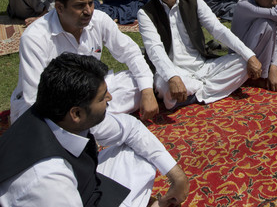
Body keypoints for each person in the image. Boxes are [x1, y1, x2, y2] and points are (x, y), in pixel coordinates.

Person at [0, 53, 189, 207]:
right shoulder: (48, 180)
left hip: (83, 189)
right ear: (76, 113)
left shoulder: (59, 115)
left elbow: (132, 129)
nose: (110, 97)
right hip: (62, 194)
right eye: (101, 98)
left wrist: (176, 175)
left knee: (139, 157)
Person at [10, 0, 159, 123]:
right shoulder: (35, 37)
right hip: (55, 103)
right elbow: (35, 96)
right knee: (41, 122)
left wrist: (147, 92)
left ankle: (95, 119)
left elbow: (130, 52)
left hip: (92, 93)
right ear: (60, 8)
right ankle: (95, 121)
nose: (88, 11)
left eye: (91, 3)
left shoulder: (99, 19)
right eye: (80, 6)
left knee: (139, 81)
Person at [138, 0, 262, 109]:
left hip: (202, 65)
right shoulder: (146, 13)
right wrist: (172, 77)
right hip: (173, 69)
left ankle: (193, 94)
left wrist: (249, 55)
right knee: (163, 86)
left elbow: (218, 29)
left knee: (243, 62)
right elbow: (155, 49)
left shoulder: (193, 1)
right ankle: (206, 89)